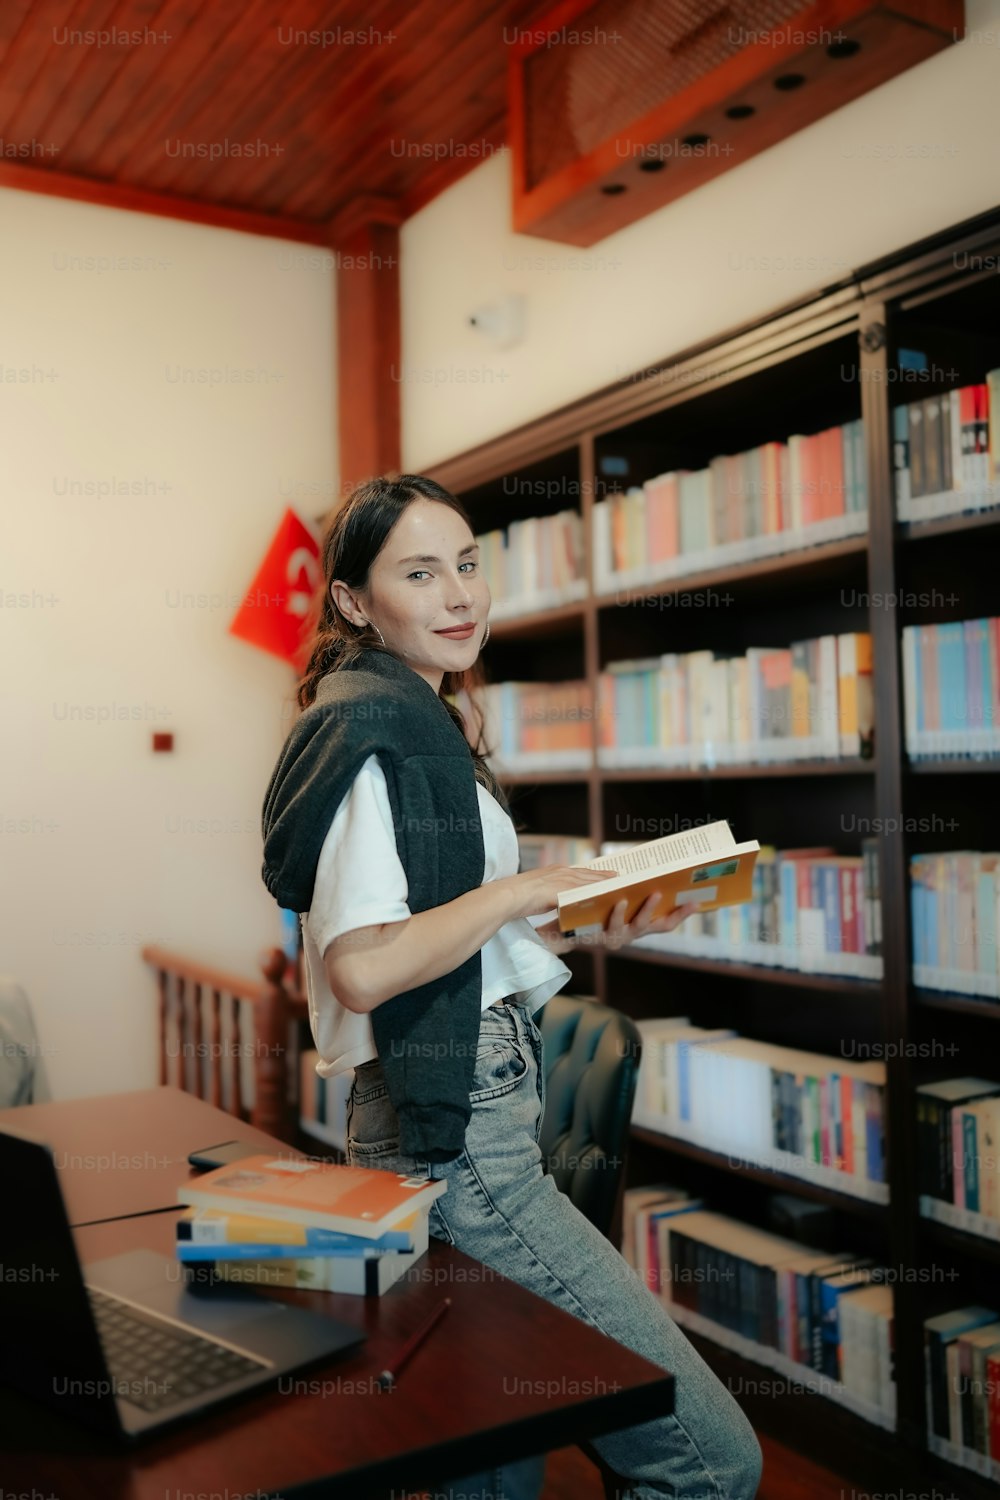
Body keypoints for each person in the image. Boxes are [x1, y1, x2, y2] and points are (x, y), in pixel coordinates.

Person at [270, 474, 763, 1500]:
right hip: (461, 1131)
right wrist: (522, 892)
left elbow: (448, 931)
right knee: (713, 1461)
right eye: (419, 572)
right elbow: (362, 967)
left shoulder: (422, 714)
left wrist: (590, 911)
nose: (458, 595)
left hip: (459, 1095)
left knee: (485, 1461)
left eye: (467, 563)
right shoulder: (374, 732)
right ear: (356, 602)